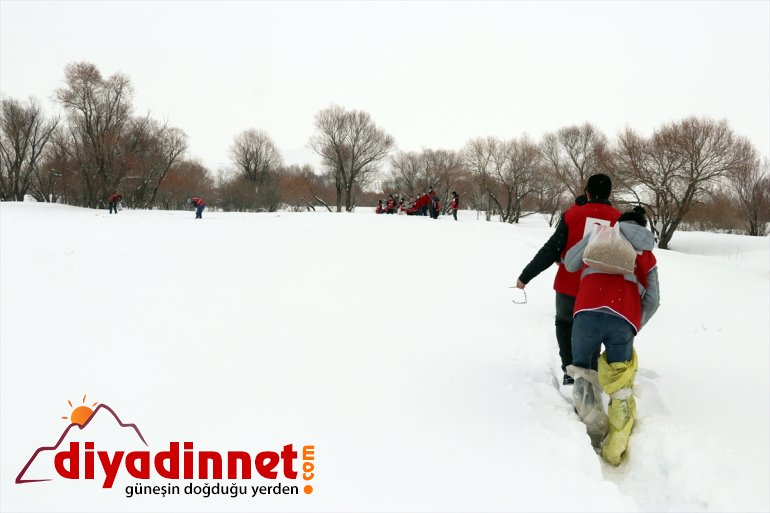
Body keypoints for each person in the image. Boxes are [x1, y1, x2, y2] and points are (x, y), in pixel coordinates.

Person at [563, 206, 659, 465]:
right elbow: (653, 299)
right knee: (620, 386)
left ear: (620, 222)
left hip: (587, 312)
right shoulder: (647, 255)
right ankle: (615, 446)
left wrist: (591, 240)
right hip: (623, 319)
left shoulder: (601, 235)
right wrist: (633, 324)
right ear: (643, 228)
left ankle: (592, 434)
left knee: (583, 372)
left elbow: (570, 263)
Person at [515, 174, 620, 385]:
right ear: (609, 194)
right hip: (601, 289)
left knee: (564, 323)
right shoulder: (619, 219)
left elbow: (551, 249)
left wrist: (525, 276)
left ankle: (569, 370)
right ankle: (590, 370)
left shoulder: (572, 215)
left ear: (587, 192)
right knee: (594, 329)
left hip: (569, 286)